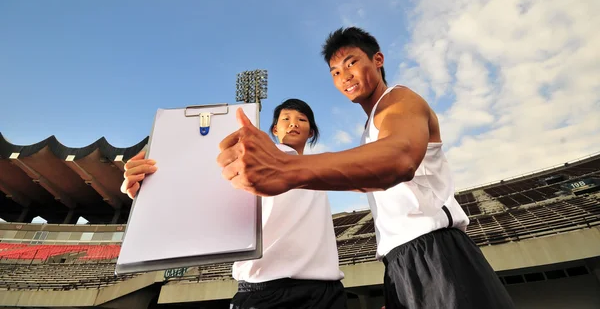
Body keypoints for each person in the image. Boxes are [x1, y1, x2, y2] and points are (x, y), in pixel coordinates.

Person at [217, 28, 515, 309]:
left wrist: (288, 168)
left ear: (378, 60)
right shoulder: (371, 127)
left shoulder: (399, 100)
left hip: (436, 252)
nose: (344, 76)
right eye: (335, 72)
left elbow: (399, 159)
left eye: (351, 63)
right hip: (399, 262)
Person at [121, 98, 347, 309]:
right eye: (285, 119)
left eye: (302, 119)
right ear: (274, 130)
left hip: (326, 289)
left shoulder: (321, 166)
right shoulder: (255, 158)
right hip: (266, 289)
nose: (293, 124)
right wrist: (153, 189)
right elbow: (205, 184)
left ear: (312, 132)